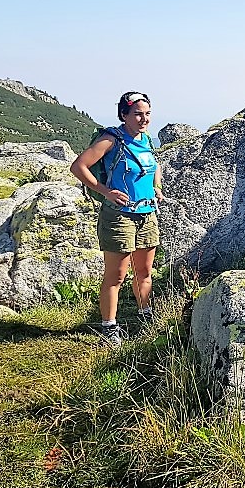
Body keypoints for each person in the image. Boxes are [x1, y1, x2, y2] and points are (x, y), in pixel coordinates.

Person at [70, 91, 163, 346]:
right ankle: (109, 329)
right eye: (137, 114)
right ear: (124, 115)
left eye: (147, 114)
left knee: (144, 272)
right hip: (119, 216)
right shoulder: (111, 139)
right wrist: (105, 191)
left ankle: (145, 317)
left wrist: (157, 188)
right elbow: (79, 166)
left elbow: (153, 167)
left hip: (146, 214)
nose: (144, 119)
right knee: (116, 275)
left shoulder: (145, 139)